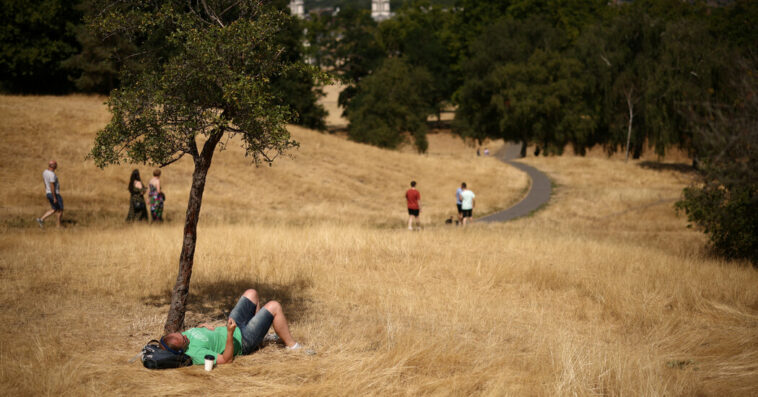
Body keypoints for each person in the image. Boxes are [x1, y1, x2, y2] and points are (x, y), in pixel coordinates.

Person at [160, 288, 302, 366]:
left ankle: (260, 336)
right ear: (181, 351)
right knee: (274, 306)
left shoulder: (181, 338)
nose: (186, 336)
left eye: (182, 334)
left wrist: (199, 326)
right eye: (184, 340)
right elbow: (226, 360)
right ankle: (293, 346)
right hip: (243, 341)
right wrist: (229, 334)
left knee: (251, 293)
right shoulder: (196, 354)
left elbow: (188, 334)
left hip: (232, 326)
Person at [36, 160, 63, 228]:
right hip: (54, 194)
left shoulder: (45, 172)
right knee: (60, 210)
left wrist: (47, 190)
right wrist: (54, 197)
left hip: (48, 193)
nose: (57, 166)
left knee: (54, 209)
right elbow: (52, 185)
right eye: (56, 165)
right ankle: (58, 226)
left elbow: (45, 182)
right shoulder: (52, 174)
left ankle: (41, 219)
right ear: (53, 166)